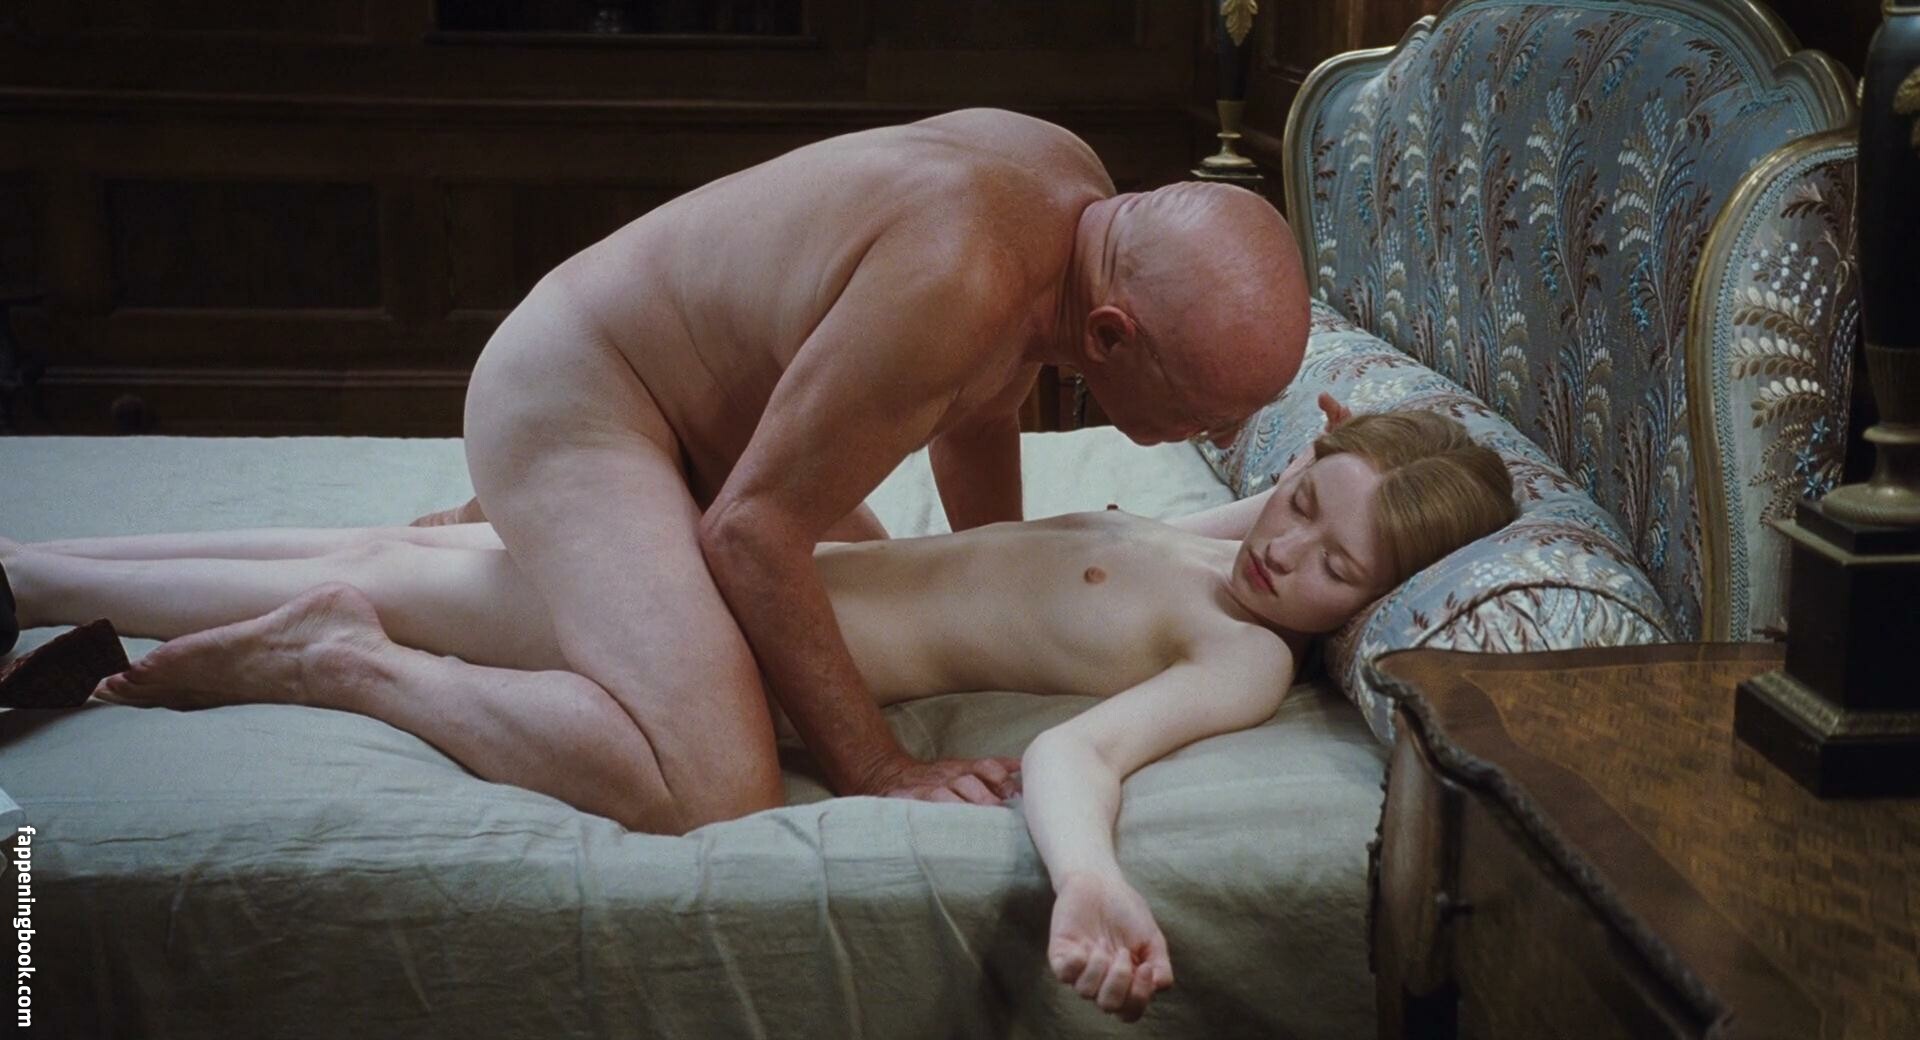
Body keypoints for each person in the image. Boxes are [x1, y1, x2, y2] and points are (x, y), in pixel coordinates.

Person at [0, 399, 1517, 1022]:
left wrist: (1091, 876)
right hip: (767, 573)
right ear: (1305, 458)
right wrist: (1317, 474)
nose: (1290, 555)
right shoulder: (1231, 535)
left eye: (1339, 570)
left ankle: (38, 578)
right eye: (1304, 502)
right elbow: (1300, 486)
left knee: (400, 578)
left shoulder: (1243, 652)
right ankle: (33, 570)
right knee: (398, 556)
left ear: (1372, 600)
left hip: (731, 630)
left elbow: (1080, 751)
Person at [404, 107, 1311, 834]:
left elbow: (982, 400)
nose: (1217, 435)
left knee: (867, 584)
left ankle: (514, 517)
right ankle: (354, 659)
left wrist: (1006, 564)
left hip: (703, 427)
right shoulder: (960, 282)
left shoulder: (1068, 193)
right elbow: (752, 535)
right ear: (1110, 336)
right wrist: (879, 768)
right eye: (1204, 414)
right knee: (714, 785)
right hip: (579, 391)